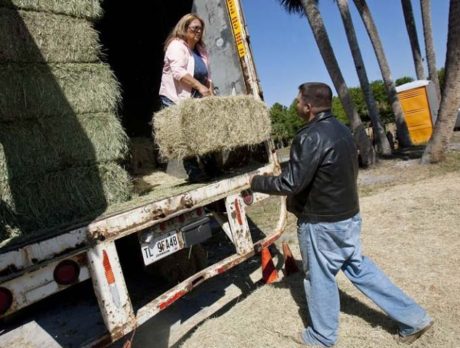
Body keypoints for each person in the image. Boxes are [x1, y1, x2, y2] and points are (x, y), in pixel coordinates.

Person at [250, 82, 433, 347]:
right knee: (360, 268)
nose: (296, 104)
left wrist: (256, 182)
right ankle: (415, 318)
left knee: (319, 278)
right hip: (348, 218)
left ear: (309, 106)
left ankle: (322, 336)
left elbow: (290, 183)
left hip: (321, 224)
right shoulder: (343, 130)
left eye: (298, 100)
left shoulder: (309, 136)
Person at [158, 13, 218, 182]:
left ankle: (213, 169)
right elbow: (178, 72)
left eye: (200, 28)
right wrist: (200, 87)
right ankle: (195, 174)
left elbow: (208, 76)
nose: (198, 31)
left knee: (204, 132)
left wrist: (210, 93)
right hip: (175, 97)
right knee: (184, 136)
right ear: (184, 28)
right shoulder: (176, 46)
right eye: (195, 28)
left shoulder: (201, 50)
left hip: (195, 97)